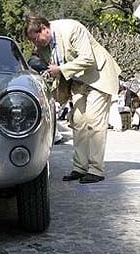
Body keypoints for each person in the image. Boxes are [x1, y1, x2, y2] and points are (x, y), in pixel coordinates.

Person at [25, 15, 121, 184]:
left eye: (36, 39)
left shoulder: (72, 29)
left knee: (94, 121)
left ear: (44, 29)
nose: (36, 44)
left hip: (98, 76)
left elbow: (87, 59)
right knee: (78, 122)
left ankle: (96, 170)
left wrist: (60, 69)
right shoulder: (43, 45)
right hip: (78, 82)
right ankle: (80, 167)